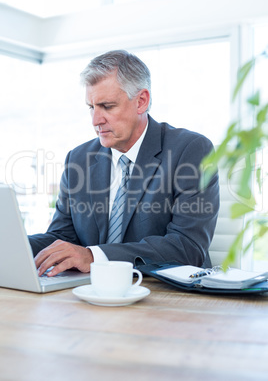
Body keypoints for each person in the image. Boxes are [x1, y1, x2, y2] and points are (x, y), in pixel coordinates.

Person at [29, 50, 219, 277]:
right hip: (89, 294)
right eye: (91, 107)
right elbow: (62, 238)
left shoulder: (190, 151)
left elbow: (187, 247)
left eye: (107, 106)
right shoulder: (78, 159)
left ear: (141, 101)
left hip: (164, 296)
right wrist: (15, 245)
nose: (95, 121)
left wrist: (93, 257)